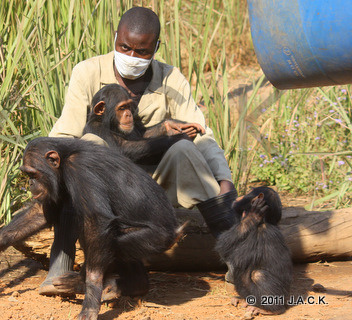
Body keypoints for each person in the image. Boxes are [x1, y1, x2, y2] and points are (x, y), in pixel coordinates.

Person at [40, 6, 237, 295]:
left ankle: (239, 258)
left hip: (151, 188)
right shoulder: (87, 72)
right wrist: (50, 177)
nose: (131, 57)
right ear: (115, 38)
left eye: (142, 51)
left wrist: (224, 180)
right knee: (87, 149)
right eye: (125, 47)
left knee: (185, 148)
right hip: (101, 186)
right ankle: (62, 261)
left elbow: (202, 135)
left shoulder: (171, 79)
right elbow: (65, 134)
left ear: (156, 47)